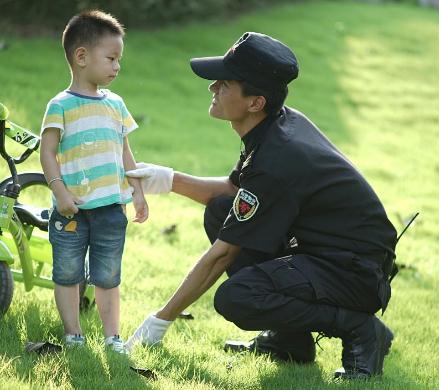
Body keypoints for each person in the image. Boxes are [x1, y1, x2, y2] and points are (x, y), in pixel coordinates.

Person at [125, 32, 398, 379]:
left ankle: (359, 328)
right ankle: (291, 343)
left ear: (255, 102)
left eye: (224, 84)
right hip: (324, 255)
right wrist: (165, 179)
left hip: (354, 273)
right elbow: (233, 191)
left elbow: (223, 255)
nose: (213, 89)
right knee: (221, 209)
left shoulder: (278, 158)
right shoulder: (277, 124)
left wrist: (160, 320)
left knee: (237, 298)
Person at [40, 10, 148, 354]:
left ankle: (112, 337)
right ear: (82, 56)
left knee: (108, 276)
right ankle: (73, 334)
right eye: (111, 58)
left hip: (111, 210)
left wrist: (138, 191)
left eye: (119, 60)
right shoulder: (60, 105)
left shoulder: (116, 105)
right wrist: (59, 191)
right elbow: (47, 153)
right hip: (71, 210)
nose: (117, 67)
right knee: (68, 274)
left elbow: (125, 152)